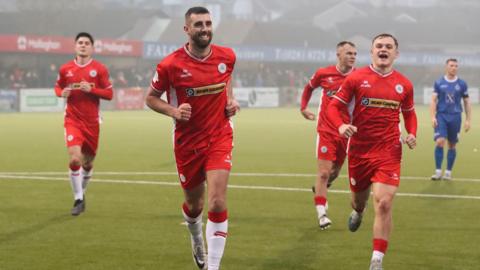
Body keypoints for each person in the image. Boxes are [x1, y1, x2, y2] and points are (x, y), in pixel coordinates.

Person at [145, 7, 239, 270]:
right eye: (198, 24)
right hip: (188, 142)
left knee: (218, 200)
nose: (205, 29)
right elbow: (150, 98)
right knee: (194, 205)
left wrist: (229, 101)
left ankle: (213, 265)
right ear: (187, 30)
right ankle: (196, 235)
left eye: (208, 23)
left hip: (220, 135)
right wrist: (174, 111)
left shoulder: (227, 56)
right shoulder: (170, 65)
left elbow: (226, 78)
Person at [326, 33, 417, 270]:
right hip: (359, 151)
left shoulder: (404, 84)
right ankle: (358, 211)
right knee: (359, 200)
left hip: (389, 151)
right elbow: (334, 107)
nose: (383, 49)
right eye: (379, 46)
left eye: (388, 46)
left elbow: (409, 112)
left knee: (384, 203)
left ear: (396, 53)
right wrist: (342, 125)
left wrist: (411, 133)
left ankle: (377, 259)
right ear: (372, 52)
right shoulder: (357, 78)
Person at [54, 32, 113, 216]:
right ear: (75, 46)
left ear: (92, 48)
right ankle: (78, 198)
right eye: (80, 42)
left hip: (92, 123)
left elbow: (109, 94)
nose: (83, 45)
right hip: (72, 120)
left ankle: (82, 191)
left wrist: (92, 89)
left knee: (87, 164)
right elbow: (58, 87)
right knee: (74, 159)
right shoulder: (66, 69)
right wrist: (60, 93)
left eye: (87, 43)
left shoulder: (100, 69)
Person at [300, 41, 357, 229]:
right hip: (326, 129)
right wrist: (304, 108)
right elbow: (309, 88)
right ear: (338, 54)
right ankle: (322, 213)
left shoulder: (358, 77)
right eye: (348, 53)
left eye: (355, 54)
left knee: (334, 173)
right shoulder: (324, 73)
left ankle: (319, 189)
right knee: (324, 172)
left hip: (346, 132)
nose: (352, 56)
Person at [430, 58, 471, 181]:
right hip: (441, 116)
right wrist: (432, 116)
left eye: (456, 66)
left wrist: (468, 120)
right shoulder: (438, 83)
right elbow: (433, 100)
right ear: (446, 67)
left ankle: (448, 172)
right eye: (452, 65)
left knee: (452, 145)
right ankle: (438, 172)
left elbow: (467, 102)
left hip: (456, 117)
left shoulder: (462, 84)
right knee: (440, 141)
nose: (454, 68)